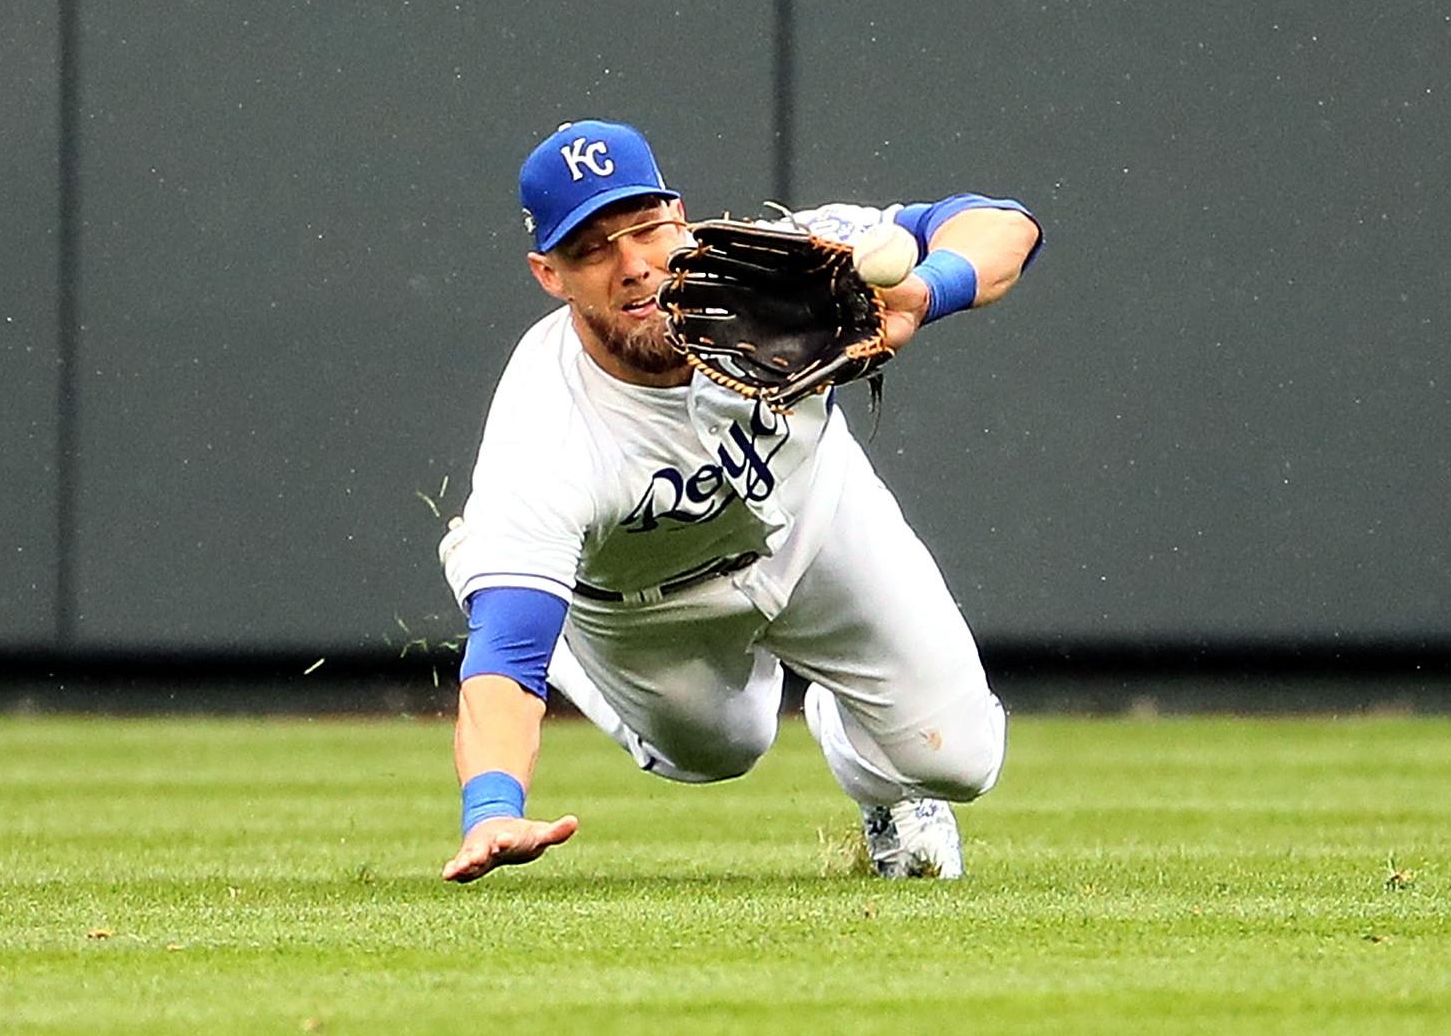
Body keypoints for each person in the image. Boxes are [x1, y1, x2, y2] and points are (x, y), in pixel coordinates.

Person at [436, 119, 1042, 882]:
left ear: (680, 216)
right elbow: (504, 660)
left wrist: (929, 288)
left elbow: (1006, 225)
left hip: (816, 522)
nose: (632, 265)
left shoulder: (781, 266)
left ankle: (884, 784)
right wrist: (491, 809)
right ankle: (504, 570)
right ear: (548, 274)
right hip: (645, 604)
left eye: (646, 229)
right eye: (592, 248)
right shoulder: (545, 428)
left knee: (963, 761)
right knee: (724, 747)